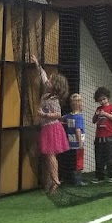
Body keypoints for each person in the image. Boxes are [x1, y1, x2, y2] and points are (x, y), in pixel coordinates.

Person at [30, 55, 69, 194]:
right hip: (47, 127)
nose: (48, 81)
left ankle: (55, 180)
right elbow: (43, 76)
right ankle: (50, 181)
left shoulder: (54, 99)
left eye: (51, 80)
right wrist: (37, 64)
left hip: (52, 127)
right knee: (47, 155)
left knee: (51, 155)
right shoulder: (47, 92)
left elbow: (58, 114)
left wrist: (44, 115)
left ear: (55, 85)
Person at [92, 87, 112, 182]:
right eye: (100, 100)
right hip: (99, 136)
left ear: (108, 98)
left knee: (109, 157)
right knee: (99, 158)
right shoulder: (98, 109)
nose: (102, 101)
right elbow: (93, 121)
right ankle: (100, 176)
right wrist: (96, 115)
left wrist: (106, 114)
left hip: (108, 137)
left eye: (104, 99)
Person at [62, 93, 87, 186]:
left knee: (72, 161)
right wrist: (80, 143)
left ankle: (71, 179)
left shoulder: (68, 116)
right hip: (77, 143)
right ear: (79, 104)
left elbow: (61, 119)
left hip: (70, 143)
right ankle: (78, 181)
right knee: (78, 162)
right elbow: (78, 130)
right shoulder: (79, 117)